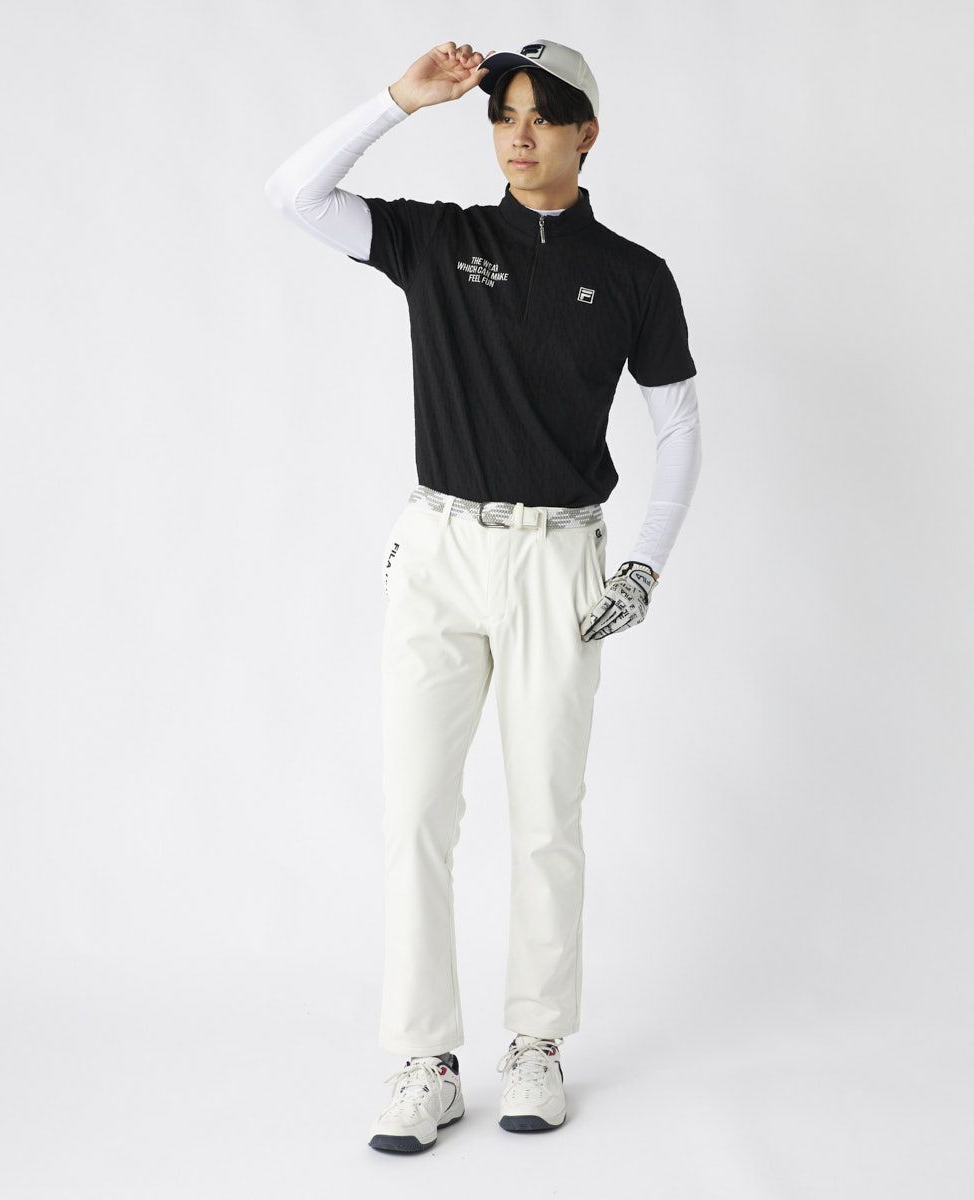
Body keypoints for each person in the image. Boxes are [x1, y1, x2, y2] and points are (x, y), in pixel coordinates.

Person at [264, 38, 702, 1153]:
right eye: (504, 114)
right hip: (439, 551)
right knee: (416, 808)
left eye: (542, 116)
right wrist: (397, 102)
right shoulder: (441, 240)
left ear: (585, 134)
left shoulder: (634, 275)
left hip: (560, 559)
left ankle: (536, 1043)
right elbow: (295, 193)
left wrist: (645, 563)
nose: (518, 134)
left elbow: (679, 427)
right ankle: (426, 1059)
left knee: (547, 813)